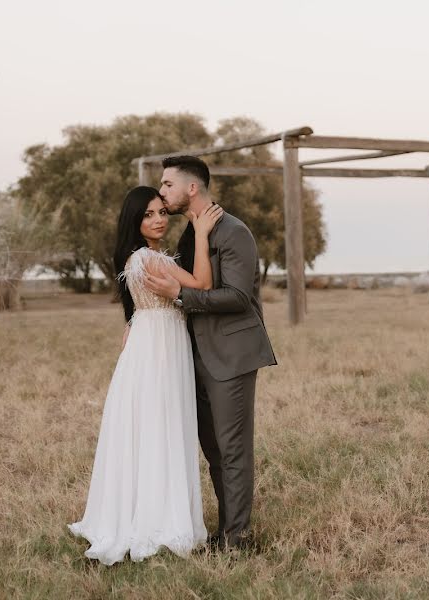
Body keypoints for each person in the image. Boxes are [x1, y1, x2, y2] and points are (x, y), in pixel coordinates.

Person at [69, 186, 223, 565]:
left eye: (160, 212)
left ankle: (148, 507)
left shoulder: (142, 257)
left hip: (154, 342)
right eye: (148, 214)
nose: (157, 220)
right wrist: (202, 234)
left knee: (152, 426)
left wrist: (133, 321)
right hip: (158, 351)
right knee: (161, 426)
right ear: (135, 221)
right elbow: (202, 285)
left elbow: (142, 305)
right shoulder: (150, 259)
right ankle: (156, 519)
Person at [145, 155, 277, 550]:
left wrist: (180, 295)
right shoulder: (190, 234)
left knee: (232, 447)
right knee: (213, 448)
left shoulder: (234, 232)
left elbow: (238, 296)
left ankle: (236, 539)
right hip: (196, 355)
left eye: (167, 184)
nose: (162, 190)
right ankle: (224, 529)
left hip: (231, 353)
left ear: (191, 188)